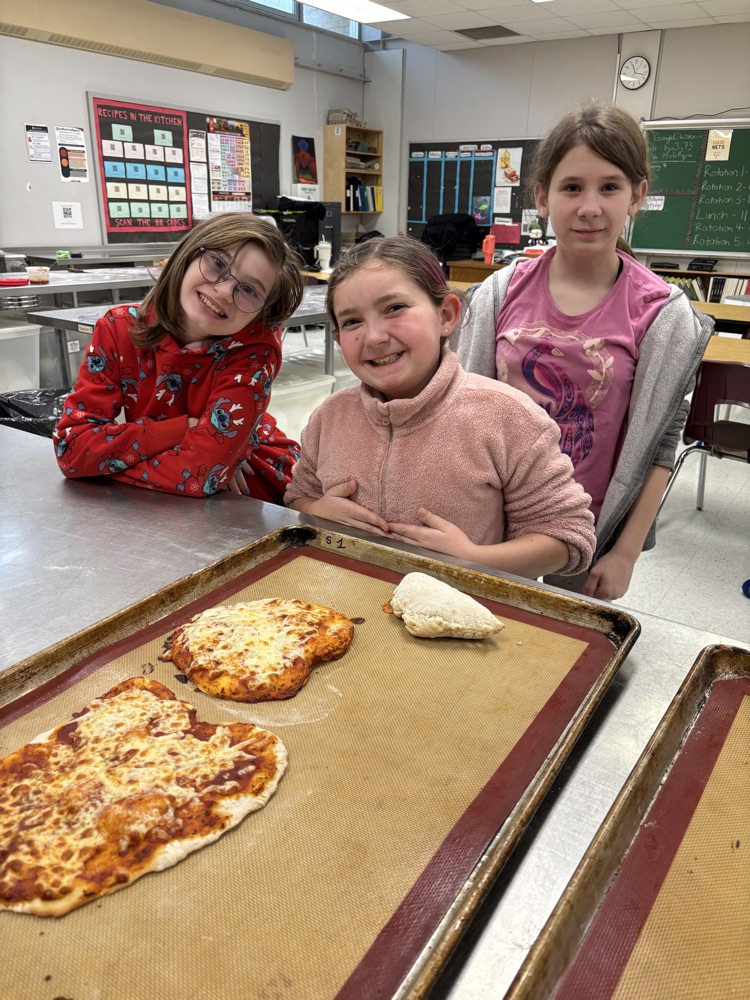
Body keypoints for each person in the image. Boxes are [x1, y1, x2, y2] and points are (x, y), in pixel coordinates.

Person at [455, 101, 713, 600]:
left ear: (637, 195)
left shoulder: (661, 315)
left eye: (609, 187)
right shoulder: (500, 293)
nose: (589, 207)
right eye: (571, 187)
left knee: (559, 650)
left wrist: (625, 553)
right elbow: (463, 409)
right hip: (492, 515)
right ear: (543, 197)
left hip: (586, 528)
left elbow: (661, 444)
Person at [284, 236, 596, 580]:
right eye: (352, 321)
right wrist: (314, 510)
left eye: (394, 308)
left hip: (464, 619)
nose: (373, 337)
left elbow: (568, 537)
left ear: (446, 315)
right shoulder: (329, 418)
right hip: (342, 610)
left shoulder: (510, 419)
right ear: (339, 338)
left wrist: (474, 560)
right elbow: (299, 496)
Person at [53, 212, 304, 500]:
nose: (223, 291)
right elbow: (71, 449)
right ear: (188, 254)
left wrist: (100, 465)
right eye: (218, 263)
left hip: (251, 490)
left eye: (248, 290)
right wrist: (178, 431)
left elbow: (201, 474)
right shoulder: (118, 328)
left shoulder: (255, 352)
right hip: (159, 503)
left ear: (262, 312)